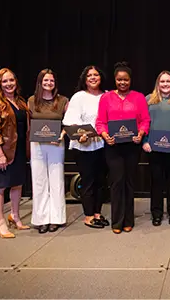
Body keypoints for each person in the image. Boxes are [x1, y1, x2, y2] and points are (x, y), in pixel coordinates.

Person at [96, 62, 150, 234]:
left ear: (130, 80)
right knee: (116, 182)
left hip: (132, 146)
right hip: (113, 147)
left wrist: (141, 134)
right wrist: (105, 135)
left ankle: (128, 220)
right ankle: (117, 221)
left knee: (129, 183)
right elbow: (100, 122)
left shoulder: (139, 97)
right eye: (119, 80)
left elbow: (145, 120)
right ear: (115, 80)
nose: (122, 83)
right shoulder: (106, 98)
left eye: (125, 80)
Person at [0, 68, 31, 238]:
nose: (9, 84)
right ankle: (0, 222)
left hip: (18, 150)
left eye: (11, 80)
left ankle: (15, 216)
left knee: (17, 184)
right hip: (2, 150)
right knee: (0, 186)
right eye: (4, 81)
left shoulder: (20, 102)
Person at [62, 65, 109, 229]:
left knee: (101, 181)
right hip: (84, 146)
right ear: (85, 78)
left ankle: (97, 213)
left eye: (96, 74)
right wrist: (79, 134)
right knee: (88, 181)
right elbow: (70, 120)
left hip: (103, 144)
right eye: (89, 75)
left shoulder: (107, 95)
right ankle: (88, 216)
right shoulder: (78, 97)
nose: (93, 77)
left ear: (101, 77)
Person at [28, 69, 68, 234]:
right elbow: (29, 125)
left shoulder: (63, 100)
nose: (48, 83)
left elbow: (68, 123)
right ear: (40, 82)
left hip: (56, 144)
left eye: (51, 81)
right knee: (39, 182)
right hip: (37, 145)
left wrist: (61, 135)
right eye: (45, 81)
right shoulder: (31, 101)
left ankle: (56, 218)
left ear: (55, 83)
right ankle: (41, 219)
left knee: (56, 180)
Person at [142, 70, 170, 226]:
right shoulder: (148, 100)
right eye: (162, 81)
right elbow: (143, 122)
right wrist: (144, 142)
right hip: (153, 148)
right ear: (157, 84)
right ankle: (157, 214)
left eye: (168, 81)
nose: (165, 84)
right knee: (156, 182)